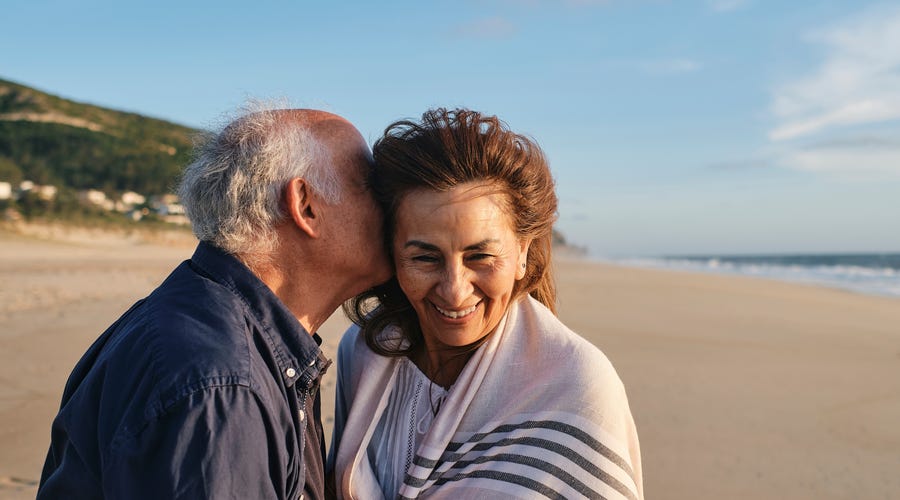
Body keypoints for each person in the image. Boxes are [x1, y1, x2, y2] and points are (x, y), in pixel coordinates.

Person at [38, 106, 391, 499]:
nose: (394, 207)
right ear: (305, 204)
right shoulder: (223, 386)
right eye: (372, 186)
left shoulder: (198, 322)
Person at [327, 108, 643, 500]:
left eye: (480, 257)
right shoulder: (364, 351)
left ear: (522, 253)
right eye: (425, 258)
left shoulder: (577, 388)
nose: (455, 290)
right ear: (392, 254)